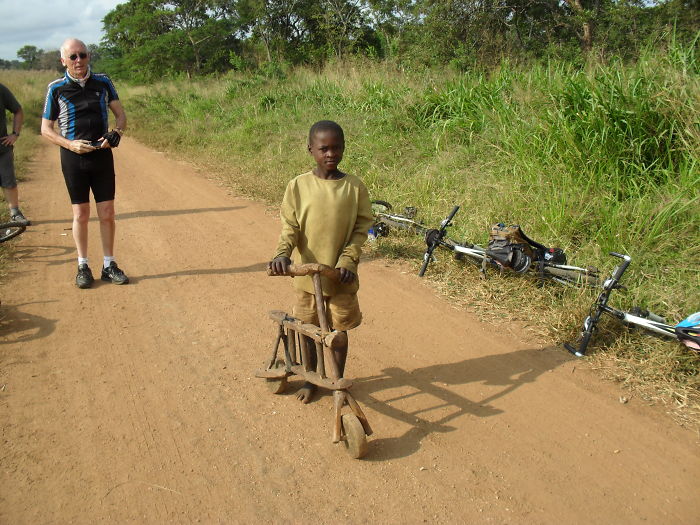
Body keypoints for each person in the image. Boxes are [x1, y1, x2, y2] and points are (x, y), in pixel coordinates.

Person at [268, 120, 373, 403]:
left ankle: (337, 381)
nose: (331, 154)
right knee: (308, 329)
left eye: (336, 148)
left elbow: (361, 229)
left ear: (344, 148)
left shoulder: (354, 187)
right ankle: (311, 378)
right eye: (323, 148)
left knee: (338, 332)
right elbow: (289, 227)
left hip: (341, 278)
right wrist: (282, 255)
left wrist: (348, 261)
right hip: (307, 279)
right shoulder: (298, 186)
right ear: (311, 149)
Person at [41, 38, 129, 289]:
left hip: (101, 153)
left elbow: (120, 115)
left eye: (83, 55)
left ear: (89, 56)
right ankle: (82, 265)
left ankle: (109, 265)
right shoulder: (56, 88)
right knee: (80, 214)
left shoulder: (103, 82)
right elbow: (45, 129)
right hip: (73, 156)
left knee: (107, 213)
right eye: (73, 57)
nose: (78, 61)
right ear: (63, 61)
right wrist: (70, 145)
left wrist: (117, 133)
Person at [0, 83, 30, 225]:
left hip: (2, 148)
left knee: (8, 181)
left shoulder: (1, 89)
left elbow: (17, 110)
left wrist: (15, 134)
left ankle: (15, 213)